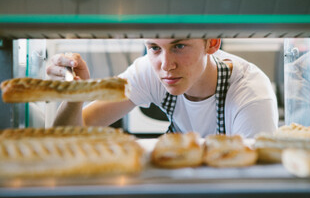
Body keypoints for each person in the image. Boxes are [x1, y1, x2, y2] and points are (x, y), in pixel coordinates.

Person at [47, 38, 278, 138]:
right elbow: (69, 133)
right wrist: (74, 96)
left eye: (179, 46)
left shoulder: (250, 96)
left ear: (212, 43)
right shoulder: (149, 71)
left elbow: (254, 188)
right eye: (154, 47)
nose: (166, 65)